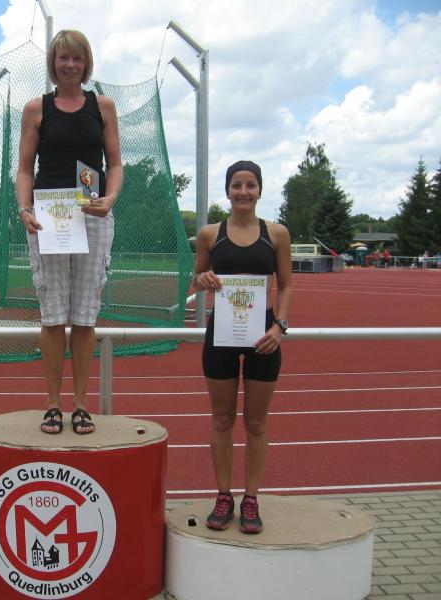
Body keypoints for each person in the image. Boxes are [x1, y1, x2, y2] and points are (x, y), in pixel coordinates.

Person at [16, 30, 123, 435]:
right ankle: (52, 404)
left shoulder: (103, 106)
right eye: (63, 58)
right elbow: (25, 169)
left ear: (86, 63)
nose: (70, 65)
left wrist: (110, 198)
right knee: (52, 314)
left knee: (84, 314)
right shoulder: (36, 109)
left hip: (92, 215)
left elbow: (115, 163)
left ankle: (80, 404)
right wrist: (25, 209)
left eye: (77, 58)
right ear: (53, 63)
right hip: (49, 217)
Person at [192, 160, 293, 533]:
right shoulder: (210, 234)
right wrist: (202, 279)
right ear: (228, 191)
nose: (243, 192)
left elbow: (287, 285)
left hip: (263, 337)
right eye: (237, 185)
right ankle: (223, 495)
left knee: (256, 421)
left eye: (251, 185)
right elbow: (197, 277)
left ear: (260, 190)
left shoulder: (276, 234)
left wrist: (280, 327)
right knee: (221, 418)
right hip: (221, 334)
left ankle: (251, 498)